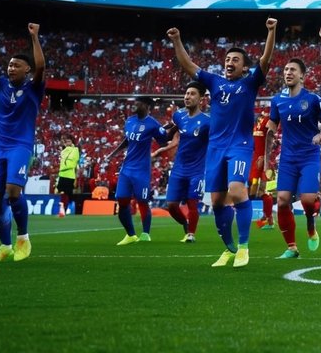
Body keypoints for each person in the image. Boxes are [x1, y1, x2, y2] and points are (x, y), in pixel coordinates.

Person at [167, 18, 277, 268]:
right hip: (215, 149)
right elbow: (188, 65)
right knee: (217, 201)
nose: (230, 63)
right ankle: (228, 248)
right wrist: (176, 41)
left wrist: (271, 31)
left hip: (239, 145)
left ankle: (244, 247)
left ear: (245, 67)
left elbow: (266, 60)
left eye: (235, 60)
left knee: (237, 191)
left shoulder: (249, 84)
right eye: (227, 59)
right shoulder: (215, 82)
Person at [0, 23, 46, 263]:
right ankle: (5, 246)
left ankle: (23, 238)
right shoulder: (1, 85)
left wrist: (35, 37)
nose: (11, 68)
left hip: (20, 145)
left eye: (17, 65)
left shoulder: (33, 88)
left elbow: (42, 66)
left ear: (27, 69)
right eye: (9, 65)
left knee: (13, 192)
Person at [262, 58, 321, 259]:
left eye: (293, 69)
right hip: (288, 158)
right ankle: (291, 247)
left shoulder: (313, 99)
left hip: (309, 155)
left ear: (302, 75)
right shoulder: (277, 101)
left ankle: (311, 223)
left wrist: (319, 133)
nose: (288, 72)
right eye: (285, 69)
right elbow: (271, 129)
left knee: (307, 200)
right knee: (283, 201)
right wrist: (266, 159)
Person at [104, 96, 171, 245]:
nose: (135, 104)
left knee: (142, 201)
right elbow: (127, 140)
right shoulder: (130, 121)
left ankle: (146, 233)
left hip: (141, 170)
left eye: (138, 103)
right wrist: (114, 153)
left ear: (147, 106)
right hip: (126, 168)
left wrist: (170, 128)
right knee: (121, 201)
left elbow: (163, 141)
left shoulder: (153, 124)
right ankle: (130, 234)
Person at [157, 81, 211, 243]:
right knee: (171, 205)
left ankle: (191, 234)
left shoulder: (208, 121)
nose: (188, 97)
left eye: (192, 94)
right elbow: (168, 135)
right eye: (187, 93)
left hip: (197, 169)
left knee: (192, 202)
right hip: (179, 168)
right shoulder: (178, 115)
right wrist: (157, 134)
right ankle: (186, 224)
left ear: (201, 98)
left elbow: (217, 142)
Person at [251, 109, 276, 231]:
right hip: (258, 160)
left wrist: (266, 158)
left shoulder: (270, 120)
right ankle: (268, 217)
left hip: (269, 162)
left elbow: (273, 140)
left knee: (265, 191)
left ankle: (269, 219)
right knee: (260, 190)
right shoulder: (256, 122)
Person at [56, 135, 79, 218]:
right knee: (62, 193)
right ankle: (62, 211)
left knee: (67, 193)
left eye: (69, 141)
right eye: (66, 142)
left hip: (69, 174)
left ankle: (65, 210)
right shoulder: (63, 151)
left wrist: (64, 166)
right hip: (62, 174)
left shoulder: (75, 150)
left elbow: (73, 162)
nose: (67, 143)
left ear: (72, 142)